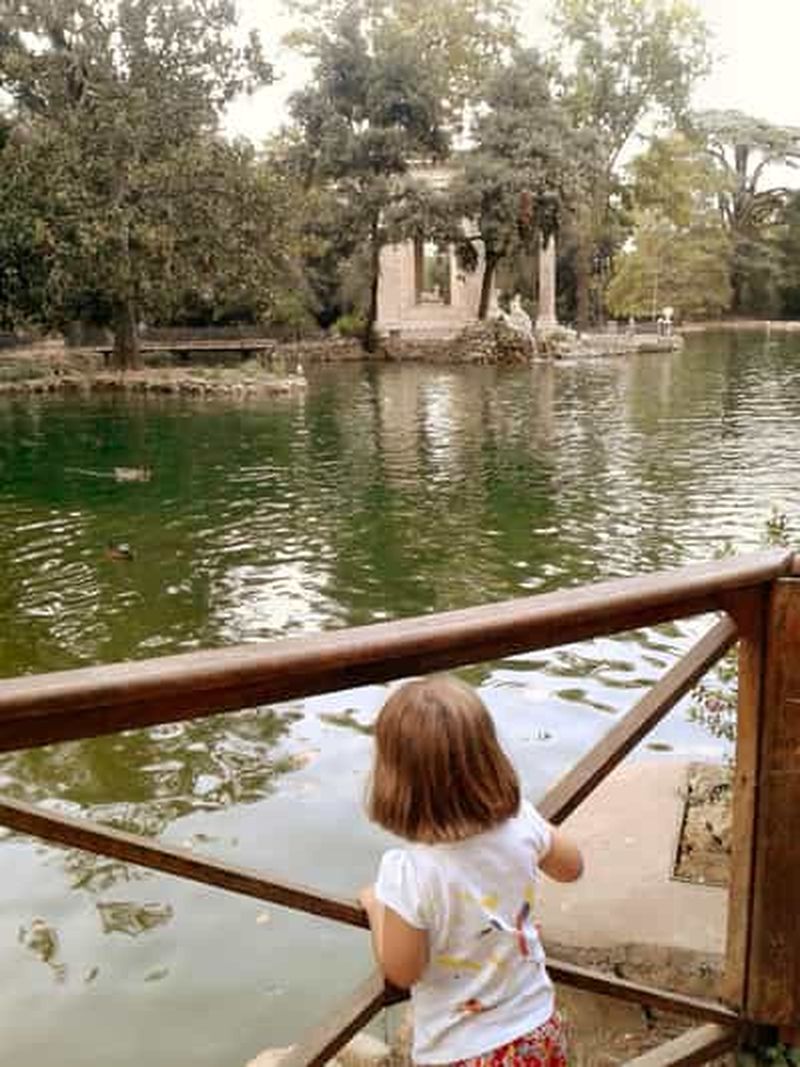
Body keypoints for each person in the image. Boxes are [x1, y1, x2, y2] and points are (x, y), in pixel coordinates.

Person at [359, 674, 583, 1067]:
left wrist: (377, 905)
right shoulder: (522, 822)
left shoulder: (406, 872)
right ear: (488, 757)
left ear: (393, 779)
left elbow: (402, 970)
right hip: (537, 1030)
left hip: (462, 1053)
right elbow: (571, 867)